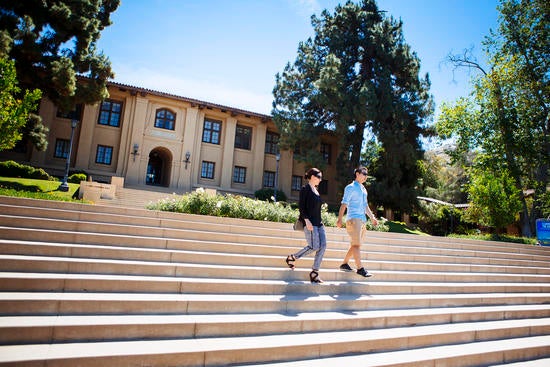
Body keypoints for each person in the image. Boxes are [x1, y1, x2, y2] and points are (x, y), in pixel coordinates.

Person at [285, 168, 327, 283]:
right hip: (310, 223)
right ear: (312, 177)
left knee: (322, 246)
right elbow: (301, 207)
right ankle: (292, 257)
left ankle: (314, 272)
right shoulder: (305, 189)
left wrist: (321, 223)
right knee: (314, 246)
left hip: (319, 224)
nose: (320, 180)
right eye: (319, 177)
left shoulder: (316, 190)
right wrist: (307, 221)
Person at [336, 166, 378, 277]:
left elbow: (365, 206)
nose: (366, 176)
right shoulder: (350, 187)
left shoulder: (364, 189)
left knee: (356, 245)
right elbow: (344, 204)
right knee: (356, 245)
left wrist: (372, 217)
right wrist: (340, 219)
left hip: (362, 220)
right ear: (357, 174)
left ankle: (344, 264)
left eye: (366, 174)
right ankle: (360, 268)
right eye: (364, 173)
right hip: (353, 219)